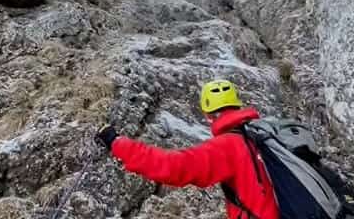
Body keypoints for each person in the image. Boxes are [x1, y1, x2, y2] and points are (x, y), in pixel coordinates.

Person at [96, 80, 279, 219]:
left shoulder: (229, 146)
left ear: (208, 115)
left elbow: (174, 167)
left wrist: (116, 142)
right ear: (238, 106)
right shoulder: (265, 135)